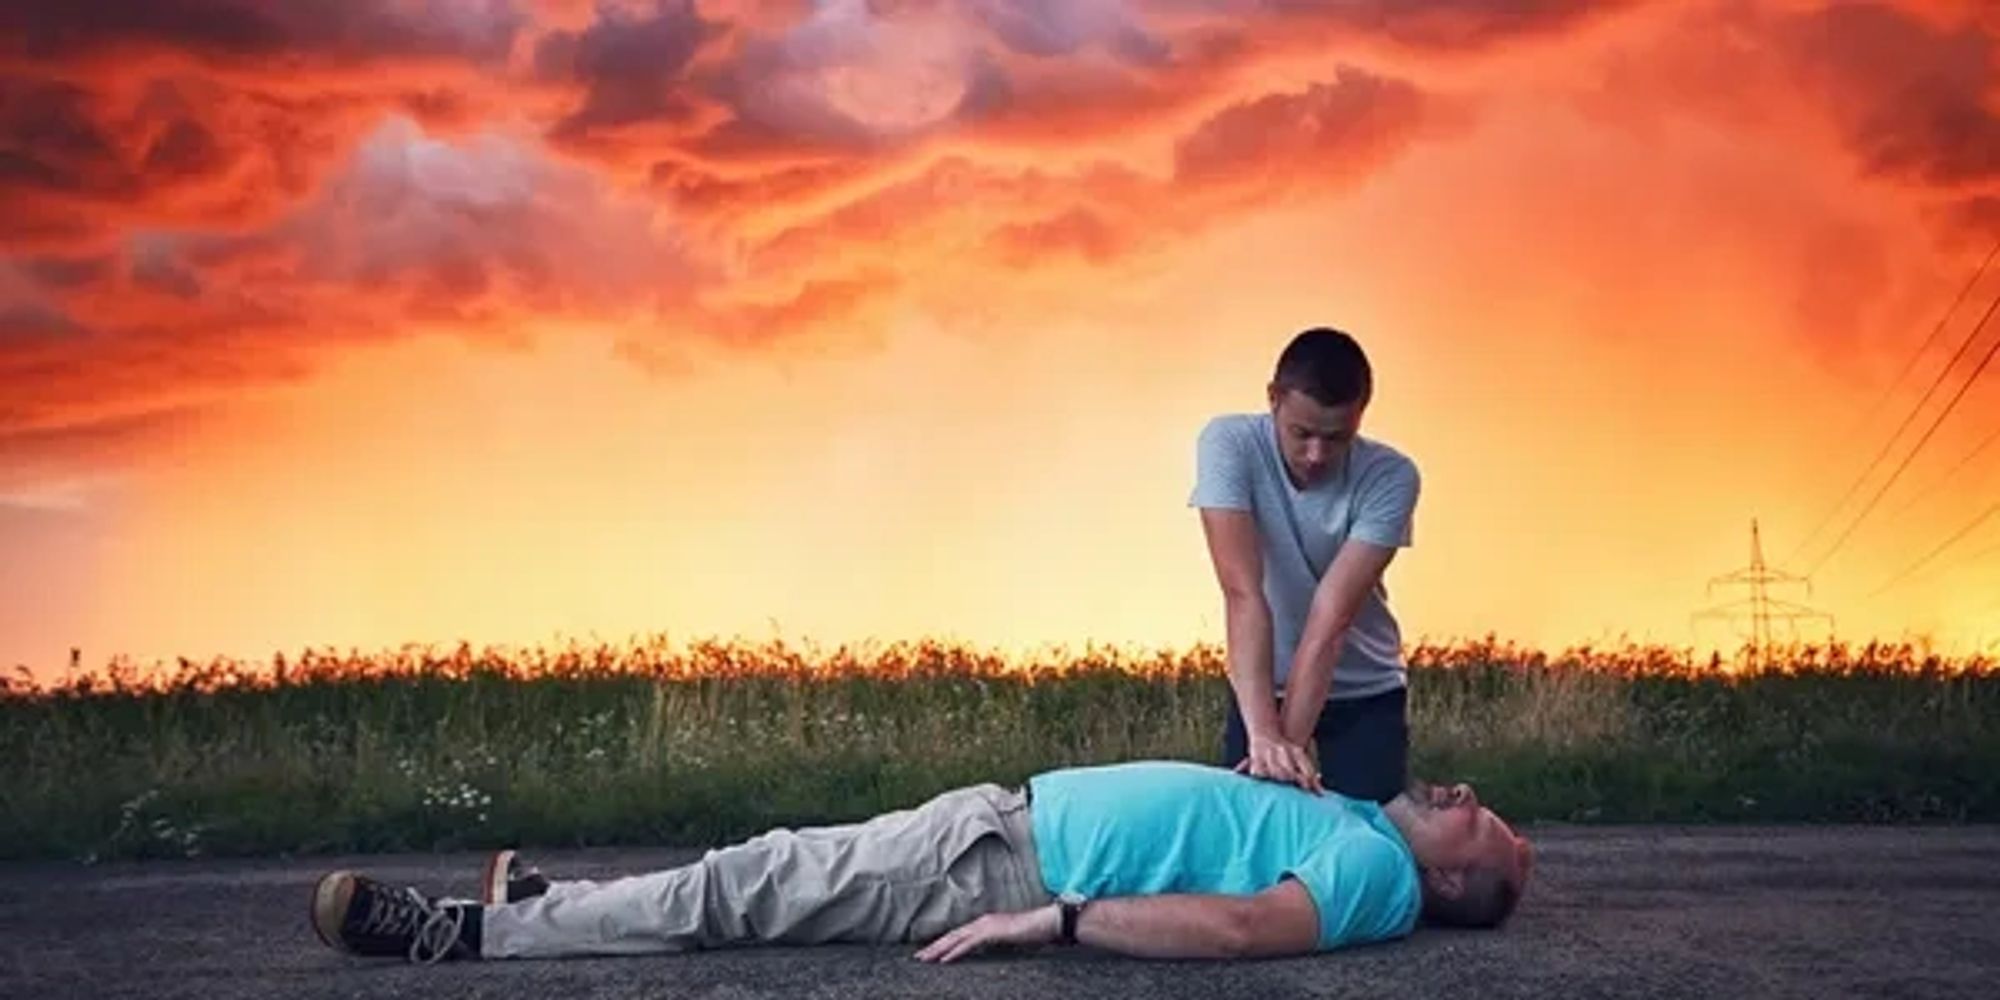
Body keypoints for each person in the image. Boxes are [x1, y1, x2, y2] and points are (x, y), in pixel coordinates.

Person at [310, 760, 1532, 965]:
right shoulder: (1362, 832)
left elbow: (1237, 930)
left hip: (1004, 867)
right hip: (998, 827)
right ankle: (553, 906)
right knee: (758, 872)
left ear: (1452, 885)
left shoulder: (1374, 882)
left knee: (745, 889)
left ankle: (463, 935)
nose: (1471, 797)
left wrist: (1049, 921)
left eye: (1490, 828)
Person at [1189, 327, 1422, 802]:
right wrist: (1264, 739)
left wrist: (1287, 750)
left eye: (1336, 438)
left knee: (1371, 844)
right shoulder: (1228, 443)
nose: (1316, 455)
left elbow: (1330, 620)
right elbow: (1242, 592)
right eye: (1301, 433)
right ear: (1273, 399)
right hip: (1261, 687)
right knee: (1249, 848)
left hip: (1364, 690)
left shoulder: (1391, 476)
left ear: (1361, 416)